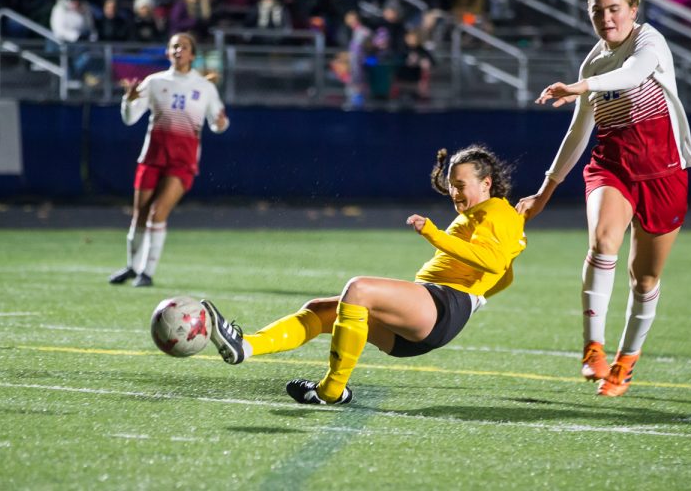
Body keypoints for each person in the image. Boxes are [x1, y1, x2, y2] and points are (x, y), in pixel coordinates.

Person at [200, 144, 526, 405]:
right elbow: (504, 274)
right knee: (321, 309)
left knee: (358, 289)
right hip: (430, 311)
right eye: (451, 185)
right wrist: (480, 296)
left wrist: (434, 235)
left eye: (461, 185)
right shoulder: (487, 213)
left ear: (486, 183)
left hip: (442, 306)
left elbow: (492, 262)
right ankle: (246, 346)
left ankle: (330, 390)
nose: (454, 193)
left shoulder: (498, 211)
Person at [516, 0, 691, 398]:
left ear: (633, 10)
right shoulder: (594, 62)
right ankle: (592, 349)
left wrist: (580, 86)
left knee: (644, 279)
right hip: (611, 167)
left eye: (614, 9)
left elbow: (634, 75)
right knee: (602, 243)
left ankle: (626, 361)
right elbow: (579, 133)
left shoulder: (649, 43)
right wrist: (545, 192)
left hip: (663, 173)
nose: (607, 18)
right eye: (598, 11)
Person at [108, 33, 229, 288]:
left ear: (192, 55)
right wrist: (127, 102)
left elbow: (218, 121)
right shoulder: (154, 82)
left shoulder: (205, 87)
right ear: (167, 52)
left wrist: (220, 124)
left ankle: (147, 273)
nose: (178, 50)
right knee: (139, 214)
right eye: (174, 46)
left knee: (158, 211)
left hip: (182, 161)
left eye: (184, 47)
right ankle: (132, 267)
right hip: (152, 156)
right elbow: (130, 118)